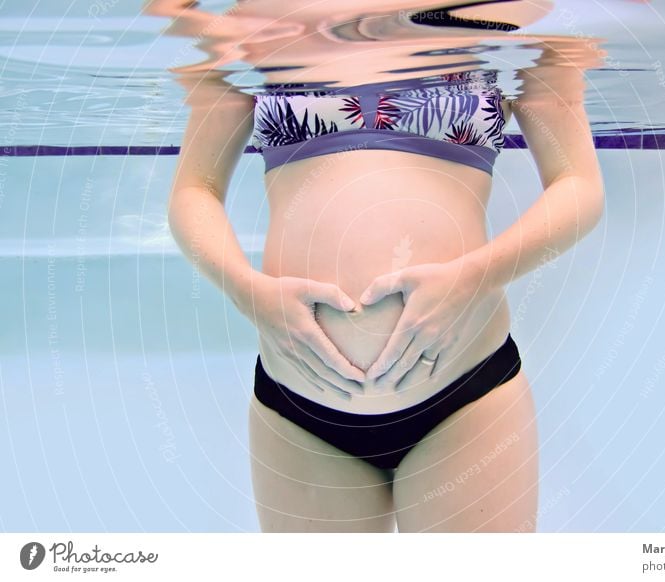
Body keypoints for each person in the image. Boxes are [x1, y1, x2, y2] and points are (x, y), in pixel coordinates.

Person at [167, 32, 604, 531]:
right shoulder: (260, 20)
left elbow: (579, 185)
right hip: (300, 407)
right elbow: (194, 190)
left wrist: (472, 278)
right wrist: (246, 291)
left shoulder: (508, 21)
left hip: (465, 393)